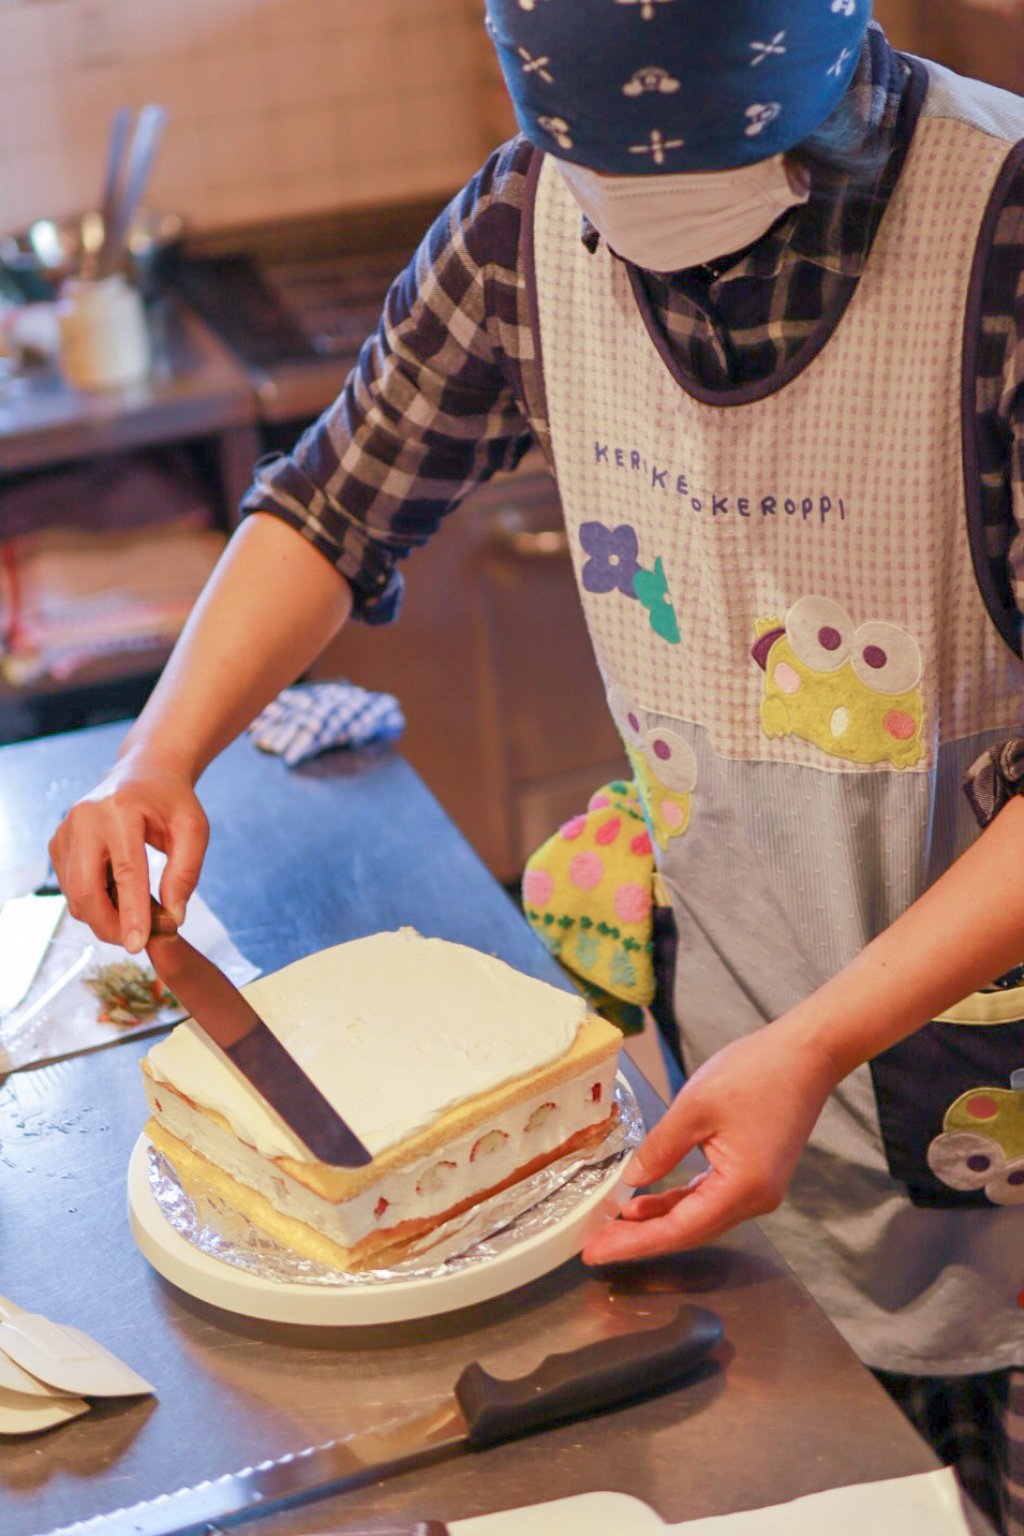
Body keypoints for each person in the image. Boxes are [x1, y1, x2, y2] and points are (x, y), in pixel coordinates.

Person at [49, 2, 1024, 1528]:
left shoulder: (1002, 234)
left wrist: (822, 1042)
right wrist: (158, 752)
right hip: (749, 1108)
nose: (646, 244)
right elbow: (331, 506)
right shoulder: (526, 229)